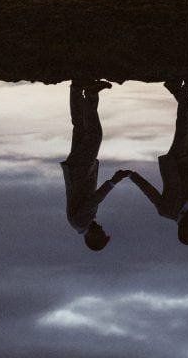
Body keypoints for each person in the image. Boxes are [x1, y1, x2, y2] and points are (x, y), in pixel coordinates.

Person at [128, 77, 188, 245]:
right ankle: (175, 88)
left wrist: (132, 175)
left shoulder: (166, 211)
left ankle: (187, 86)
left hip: (176, 161)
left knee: (184, 125)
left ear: (183, 230)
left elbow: (150, 192)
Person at [61, 78, 129, 251]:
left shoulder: (80, 221)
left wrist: (114, 181)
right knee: (80, 129)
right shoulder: (83, 222)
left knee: (94, 135)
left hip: (80, 170)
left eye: (101, 234)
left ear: (92, 238)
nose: (102, 229)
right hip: (78, 169)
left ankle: (90, 94)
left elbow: (93, 199)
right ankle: (77, 88)